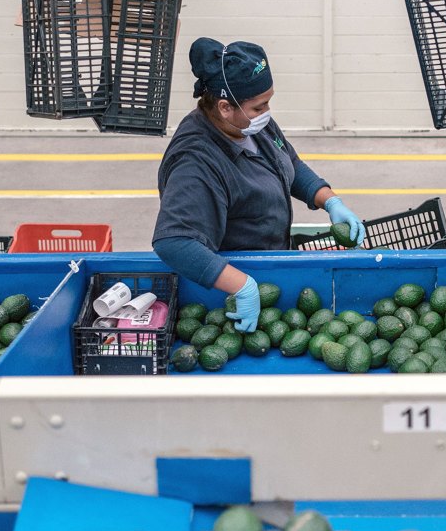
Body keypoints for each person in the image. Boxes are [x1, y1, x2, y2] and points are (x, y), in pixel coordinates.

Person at [153, 38, 366, 333]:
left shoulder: (250, 124)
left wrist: (328, 200)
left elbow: (288, 163)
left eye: (268, 101)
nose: (267, 111)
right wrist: (242, 287)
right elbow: (174, 242)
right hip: (226, 296)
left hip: (269, 267)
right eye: (259, 106)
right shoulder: (196, 162)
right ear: (226, 107)